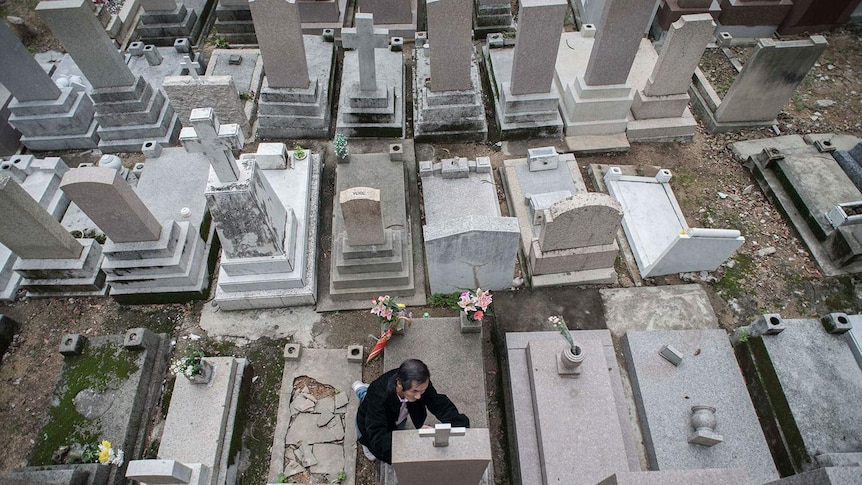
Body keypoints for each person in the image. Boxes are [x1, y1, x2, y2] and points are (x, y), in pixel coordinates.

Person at [353, 358, 469, 463]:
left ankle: (363, 391)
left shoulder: (419, 383)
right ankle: (362, 392)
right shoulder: (378, 397)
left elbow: (438, 403)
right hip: (368, 421)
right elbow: (378, 438)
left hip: (396, 414)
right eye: (415, 392)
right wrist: (414, 438)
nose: (419, 396)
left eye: (422, 391)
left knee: (397, 426)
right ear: (399, 384)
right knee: (371, 443)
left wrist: (460, 425)